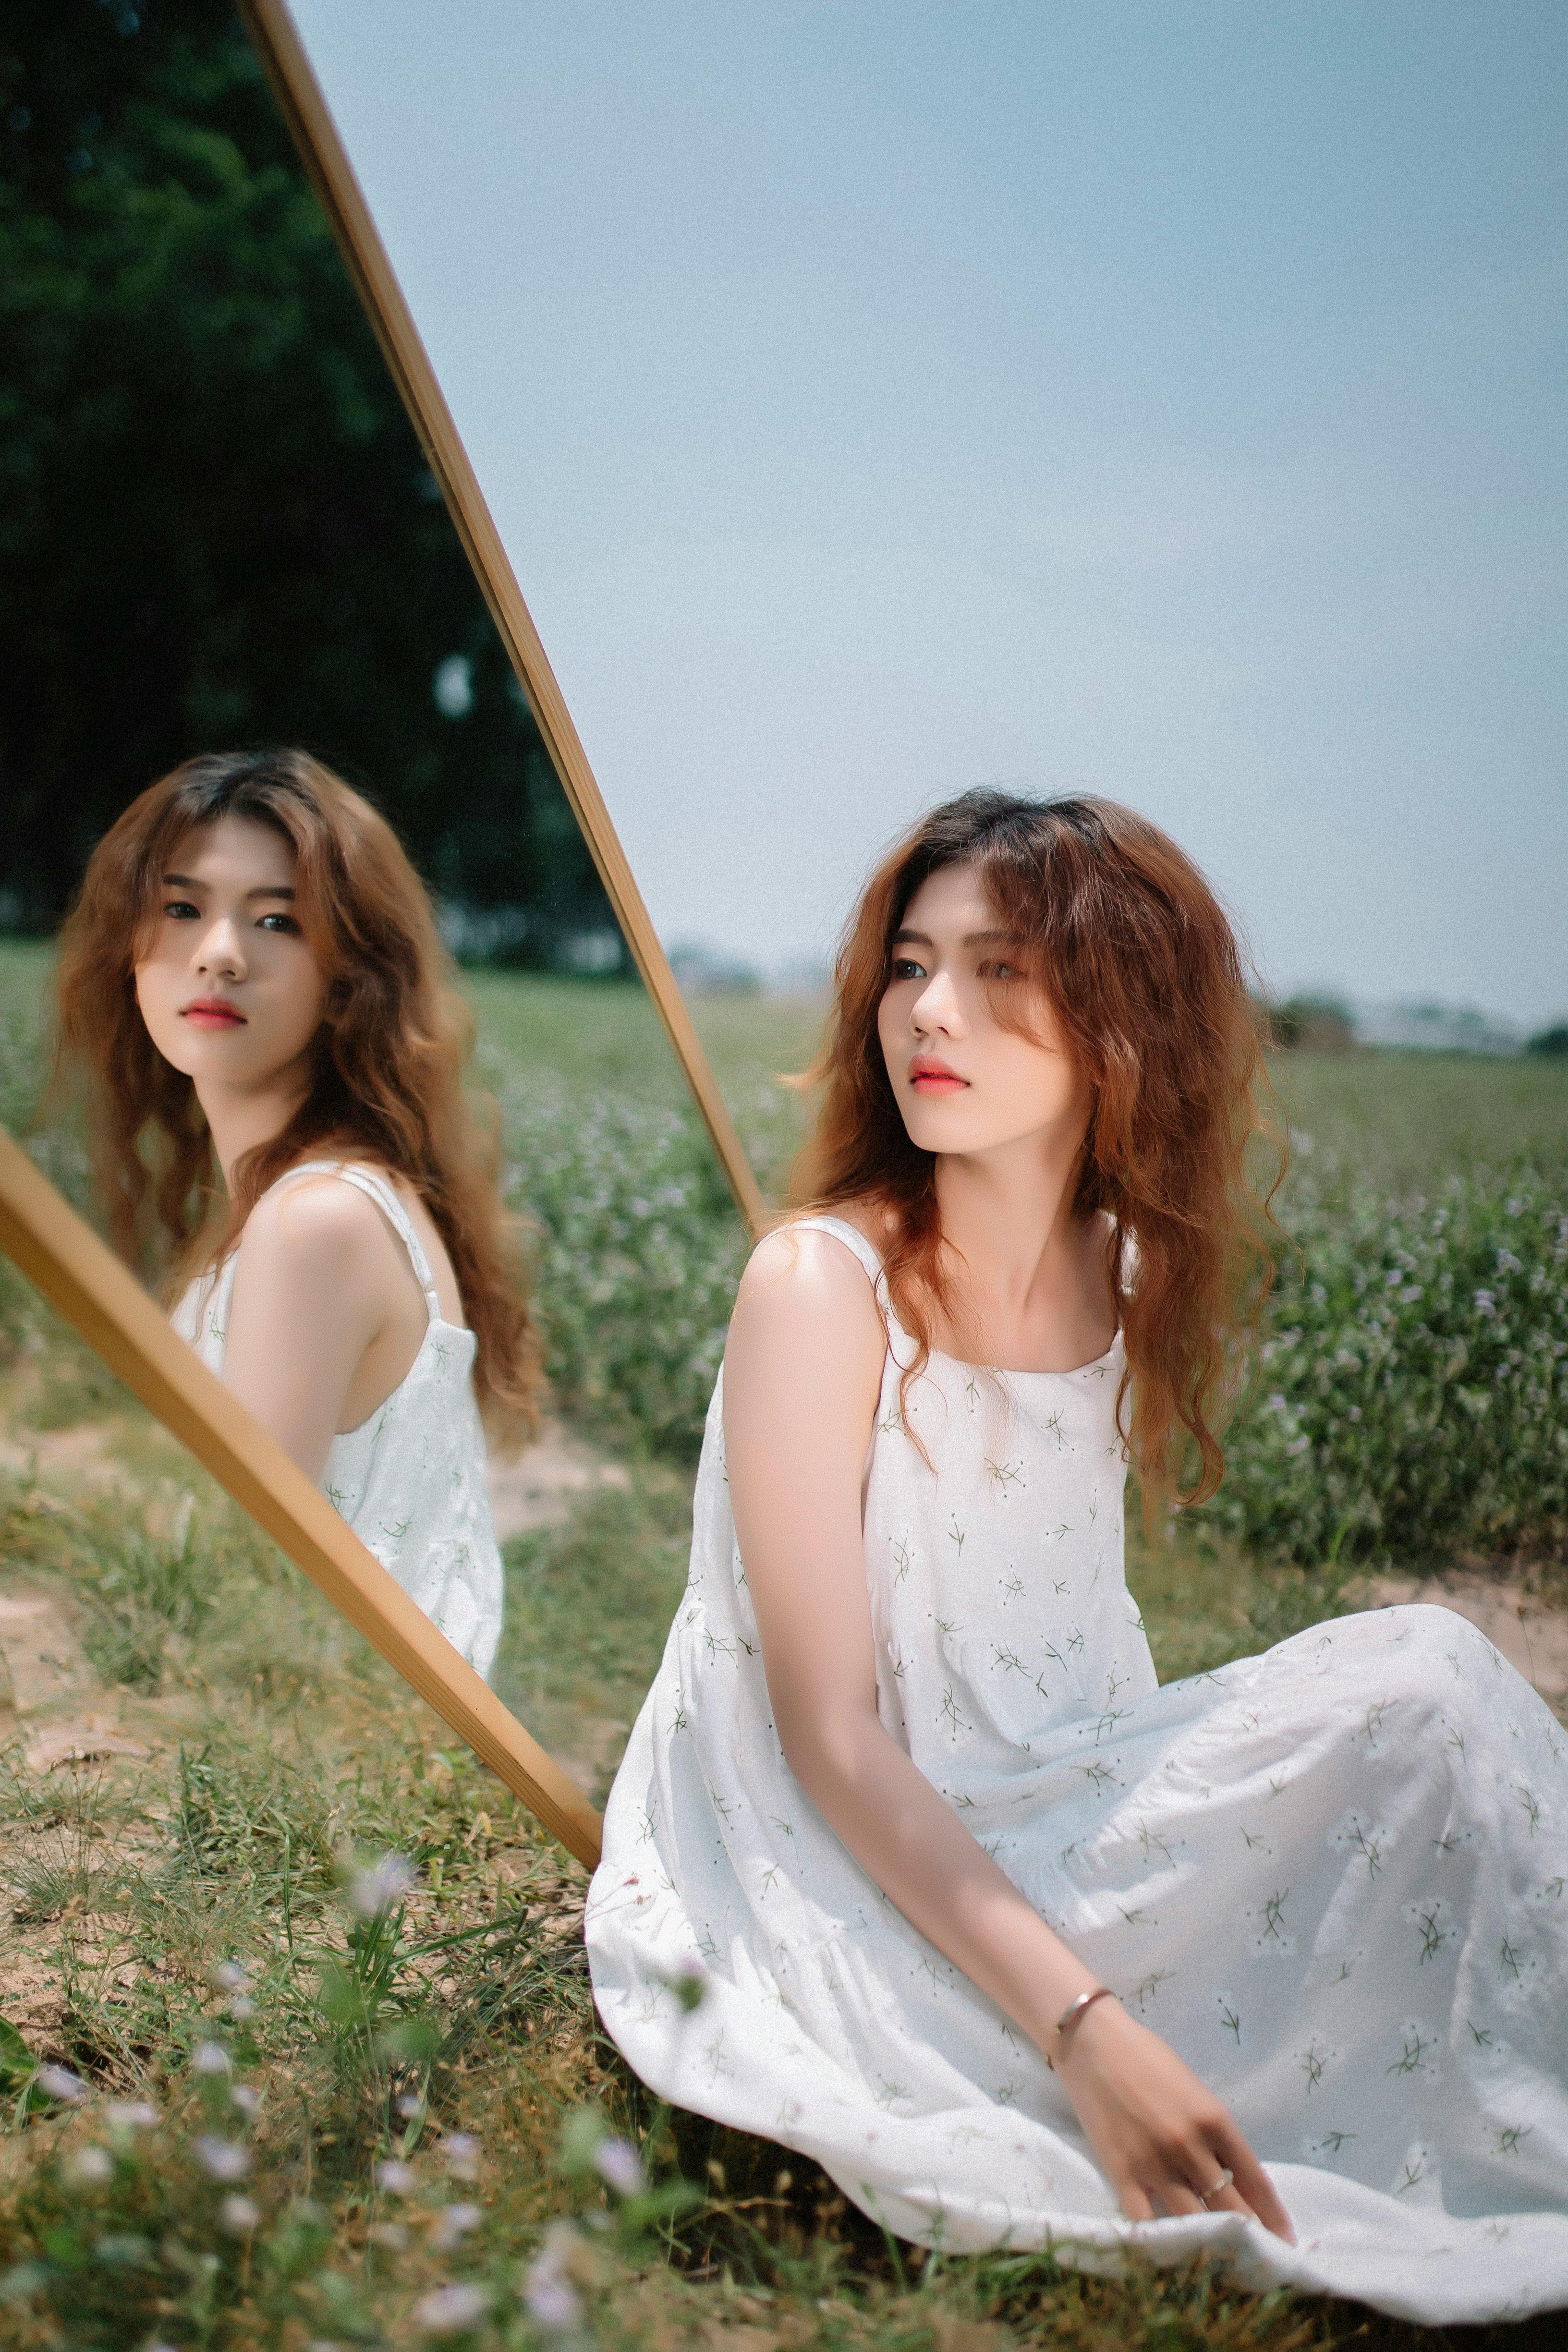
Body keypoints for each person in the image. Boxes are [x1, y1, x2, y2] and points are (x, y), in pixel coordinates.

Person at [587, 790, 1568, 2325]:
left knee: (1432, 1697)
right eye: (912, 965)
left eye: (1000, 972)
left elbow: (1075, 1643)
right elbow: (829, 1739)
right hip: (861, 1848)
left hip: (1067, 1785)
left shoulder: (1120, 1273)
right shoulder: (817, 1286)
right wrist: (1087, 2026)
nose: (932, 1011)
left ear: (1123, 1026)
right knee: (1425, 1683)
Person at [53, 748, 535, 1682]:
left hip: (328, 1781)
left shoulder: (313, 1223)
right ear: (129, 945)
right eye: (181, 907)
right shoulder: (313, 1193)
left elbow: (238, 1582)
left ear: (348, 973)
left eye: (277, 919)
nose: (221, 951)